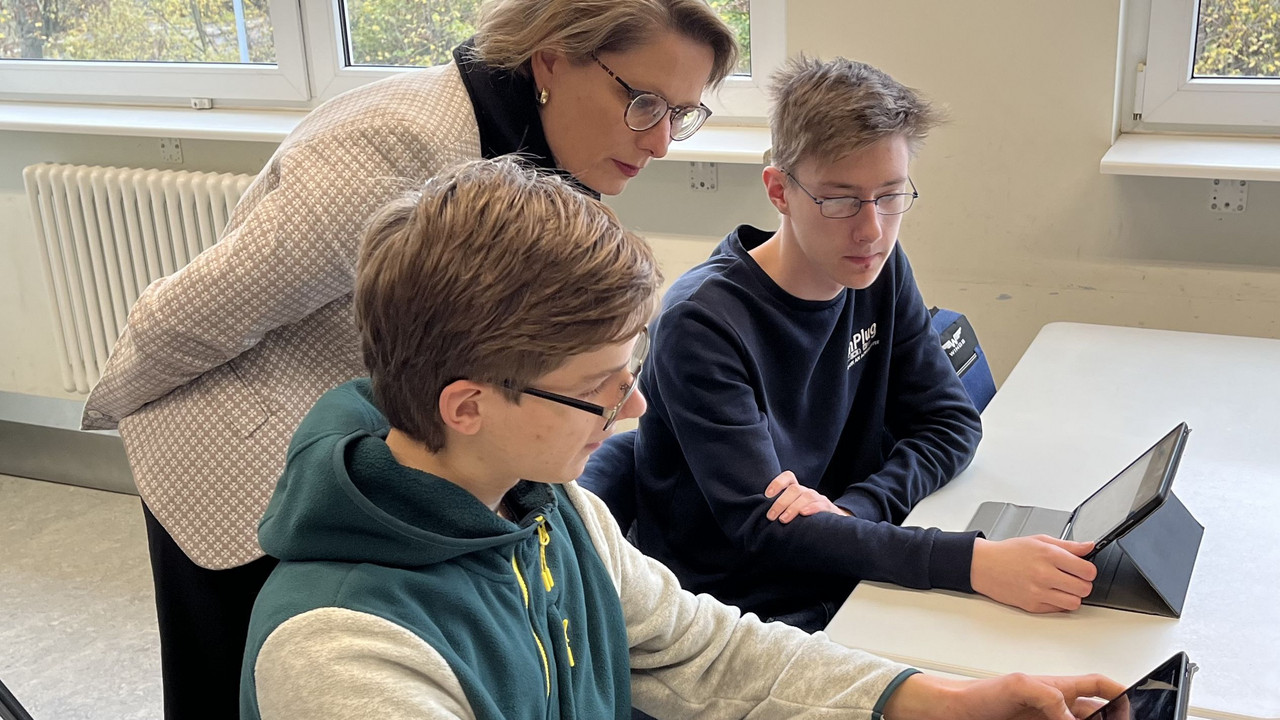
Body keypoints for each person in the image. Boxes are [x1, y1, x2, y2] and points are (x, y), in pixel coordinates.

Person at [241, 155, 1122, 720]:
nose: (633, 410)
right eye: (599, 389)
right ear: (467, 406)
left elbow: (711, 654)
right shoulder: (344, 660)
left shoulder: (555, 513)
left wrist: (941, 701)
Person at [78, 2, 738, 717]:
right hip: (235, 452)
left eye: (681, 113)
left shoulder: (545, 147)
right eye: (643, 102)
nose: (663, 141)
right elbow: (194, 314)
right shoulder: (395, 147)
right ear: (551, 59)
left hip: (375, 431)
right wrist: (106, 406)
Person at [588, 56, 1099, 633]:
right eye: (840, 200)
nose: (872, 229)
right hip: (746, 612)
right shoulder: (703, 323)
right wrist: (972, 563)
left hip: (850, 565)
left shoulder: (878, 269)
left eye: (890, 195)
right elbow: (768, 528)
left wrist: (860, 507)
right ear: (779, 190)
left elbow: (952, 422)